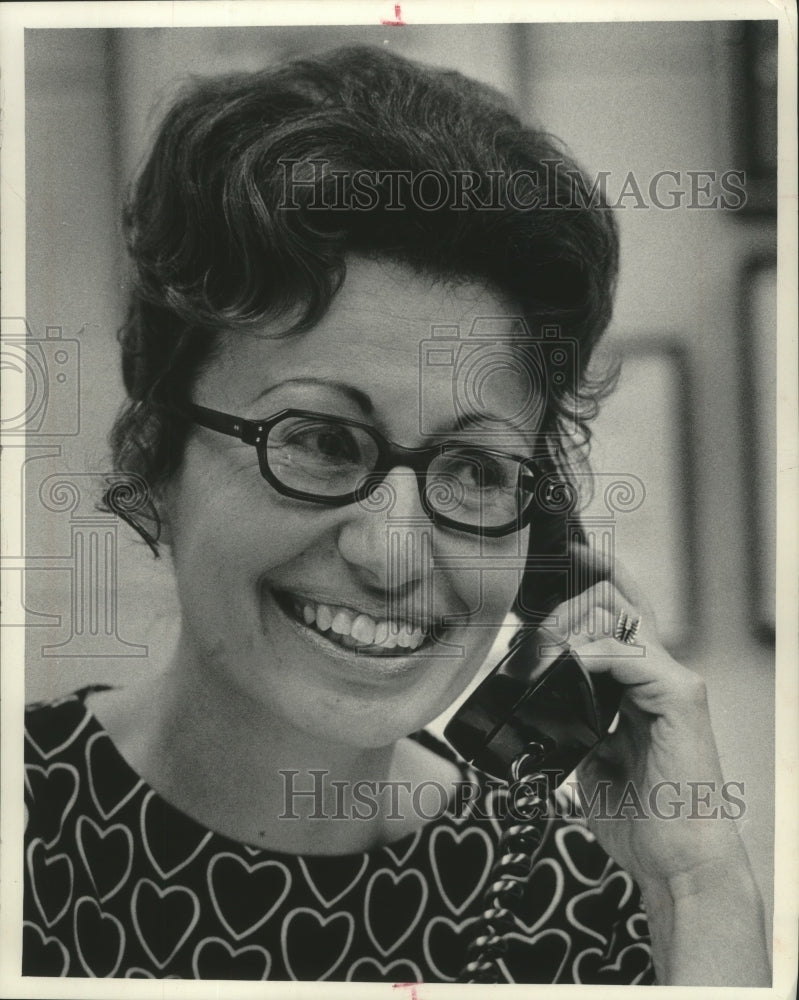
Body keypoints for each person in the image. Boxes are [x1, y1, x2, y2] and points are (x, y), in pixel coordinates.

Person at [22, 45, 770, 984]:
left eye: (474, 468)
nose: (390, 552)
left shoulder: (582, 896)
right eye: (323, 441)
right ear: (157, 450)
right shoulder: (25, 832)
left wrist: (698, 887)